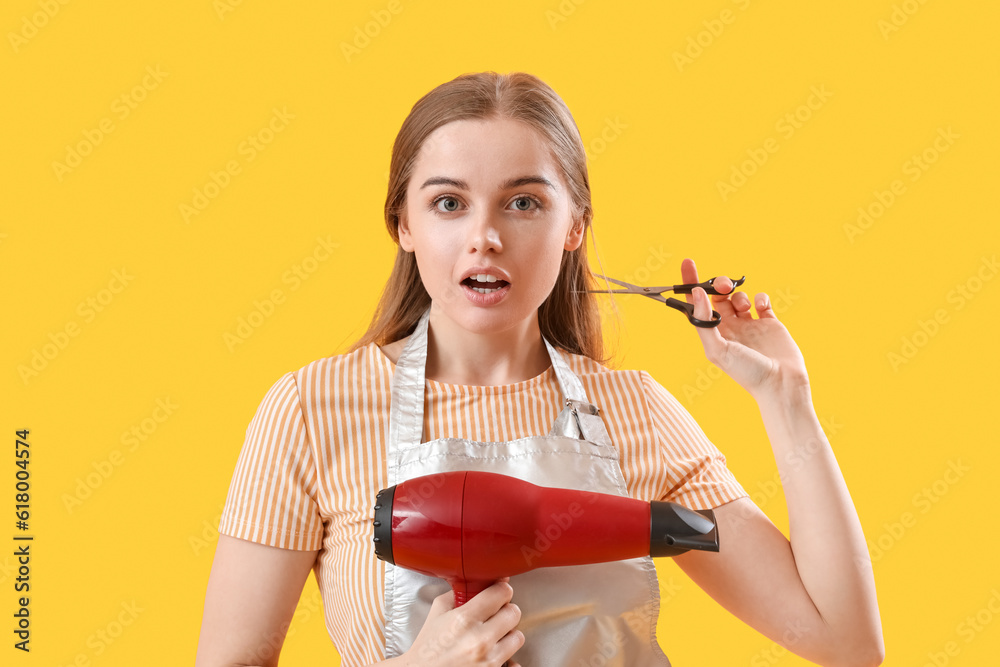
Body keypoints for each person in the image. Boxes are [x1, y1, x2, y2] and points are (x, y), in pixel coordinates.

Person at [195, 71, 884, 667]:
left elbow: (846, 642)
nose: (485, 236)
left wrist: (786, 398)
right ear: (403, 224)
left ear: (573, 226)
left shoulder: (635, 410)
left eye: (523, 202)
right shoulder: (312, 410)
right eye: (448, 202)